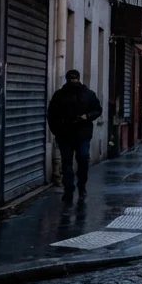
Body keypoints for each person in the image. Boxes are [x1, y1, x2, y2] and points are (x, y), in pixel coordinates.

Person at [47, 69, 102, 202]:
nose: (74, 81)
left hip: (82, 134)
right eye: (71, 79)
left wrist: (87, 116)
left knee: (83, 160)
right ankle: (69, 189)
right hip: (65, 134)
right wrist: (57, 131)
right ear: (67, 79)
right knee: (66, 163)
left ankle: (81, 185)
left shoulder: (88, 94)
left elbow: (97, 110)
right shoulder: (60, 95)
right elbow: (52, 115)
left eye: (75, 79)